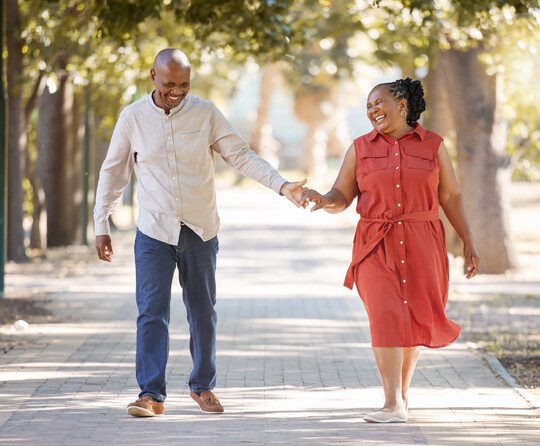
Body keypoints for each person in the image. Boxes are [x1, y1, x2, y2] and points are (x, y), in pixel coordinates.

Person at [94, 48, 306, 417]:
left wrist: (282, 185)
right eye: (168, 84)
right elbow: (113, 173)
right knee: (151, 313)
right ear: (152, 77)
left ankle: (203, 386)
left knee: (203, 312)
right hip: (154, 231)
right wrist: (102, 224)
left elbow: (240, 155)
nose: (176, 91)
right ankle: (151, 394)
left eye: (183, 84)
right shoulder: (133, 118)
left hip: (200, 229)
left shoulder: (205, 112)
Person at [301, 78, 479, 423]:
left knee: (410, 317)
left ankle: (401, 398)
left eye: (378, 103)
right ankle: (391, 403)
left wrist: (469, 242)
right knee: (385, 316)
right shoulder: (360, 147)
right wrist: (323, 201)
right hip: (375, 243)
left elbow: (451, 197)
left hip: (423, 241)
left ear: (402, 104)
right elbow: (341, 194)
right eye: (368, 106)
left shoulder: (433, 145)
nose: (372, 111)